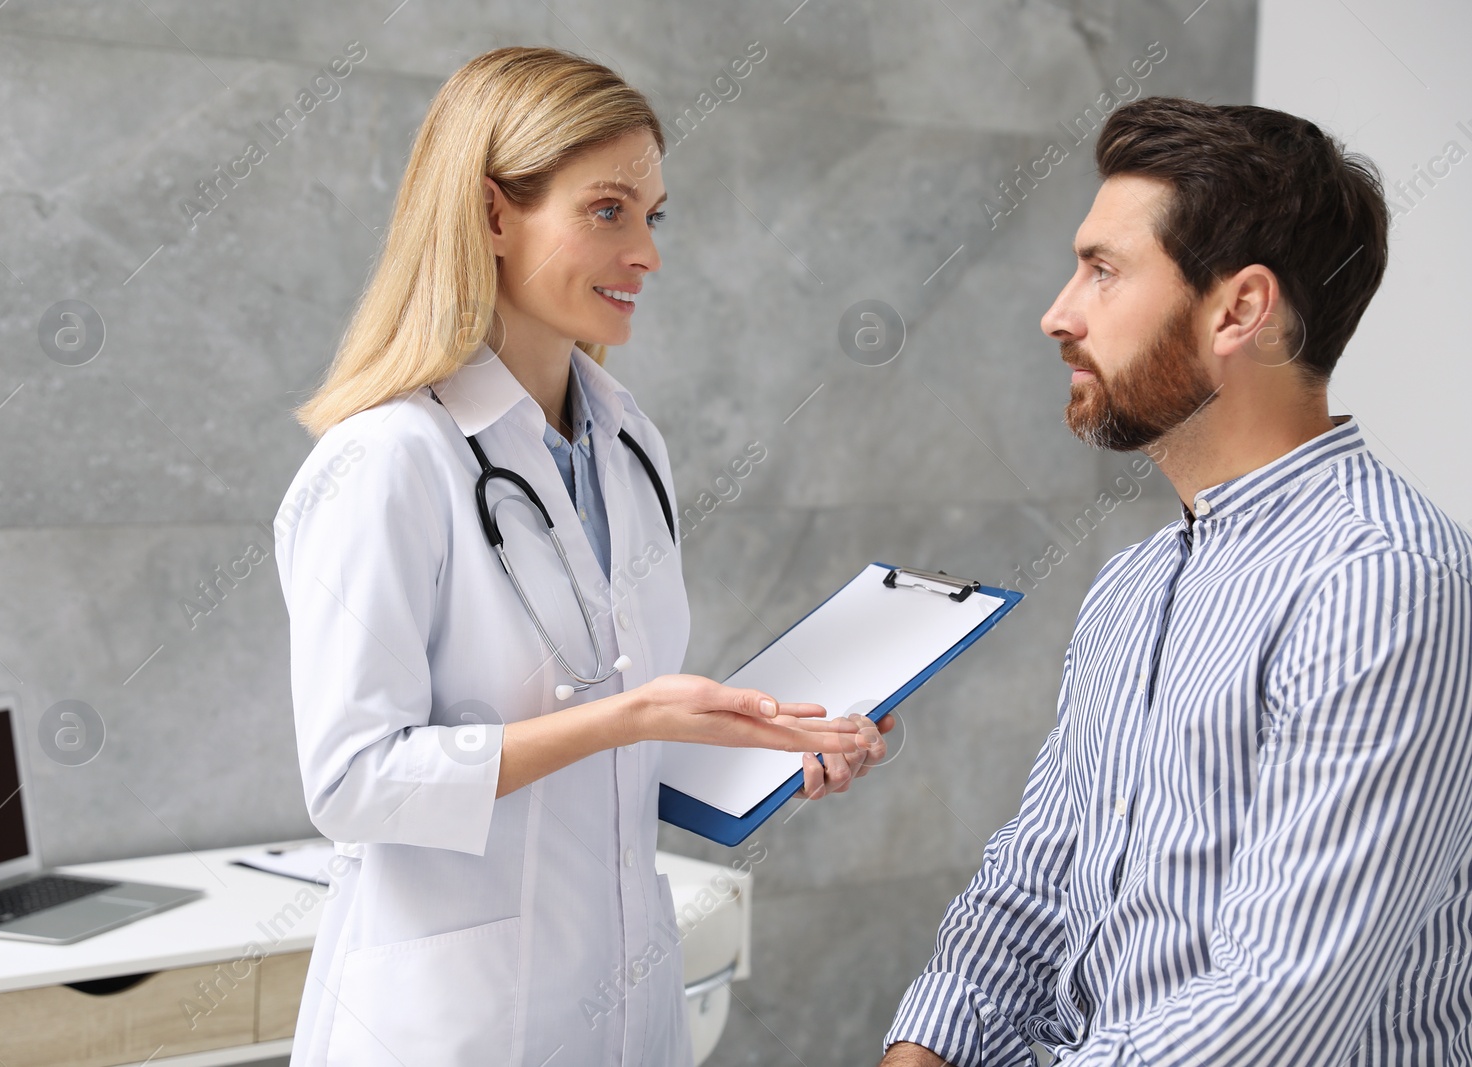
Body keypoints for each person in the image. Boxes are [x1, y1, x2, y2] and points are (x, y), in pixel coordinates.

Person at [273, 47, 893, 1067]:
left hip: (620, 1008)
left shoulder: (626, 440)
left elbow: (619, 742)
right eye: (608, 211)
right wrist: (629, 716)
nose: (646, 251)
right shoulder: (387, 462)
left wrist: (779, 737)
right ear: (489, 214)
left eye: (655, 215)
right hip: (447, 1026)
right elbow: (354, 780)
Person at [881, 97, 1472, 1065]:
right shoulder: (1134, 582)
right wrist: (922, 1049)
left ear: (1238, 308)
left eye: (1103, 271)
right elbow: (1031, 883)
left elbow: (1278, 1001)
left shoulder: (1383, 584)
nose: (1056, 313)